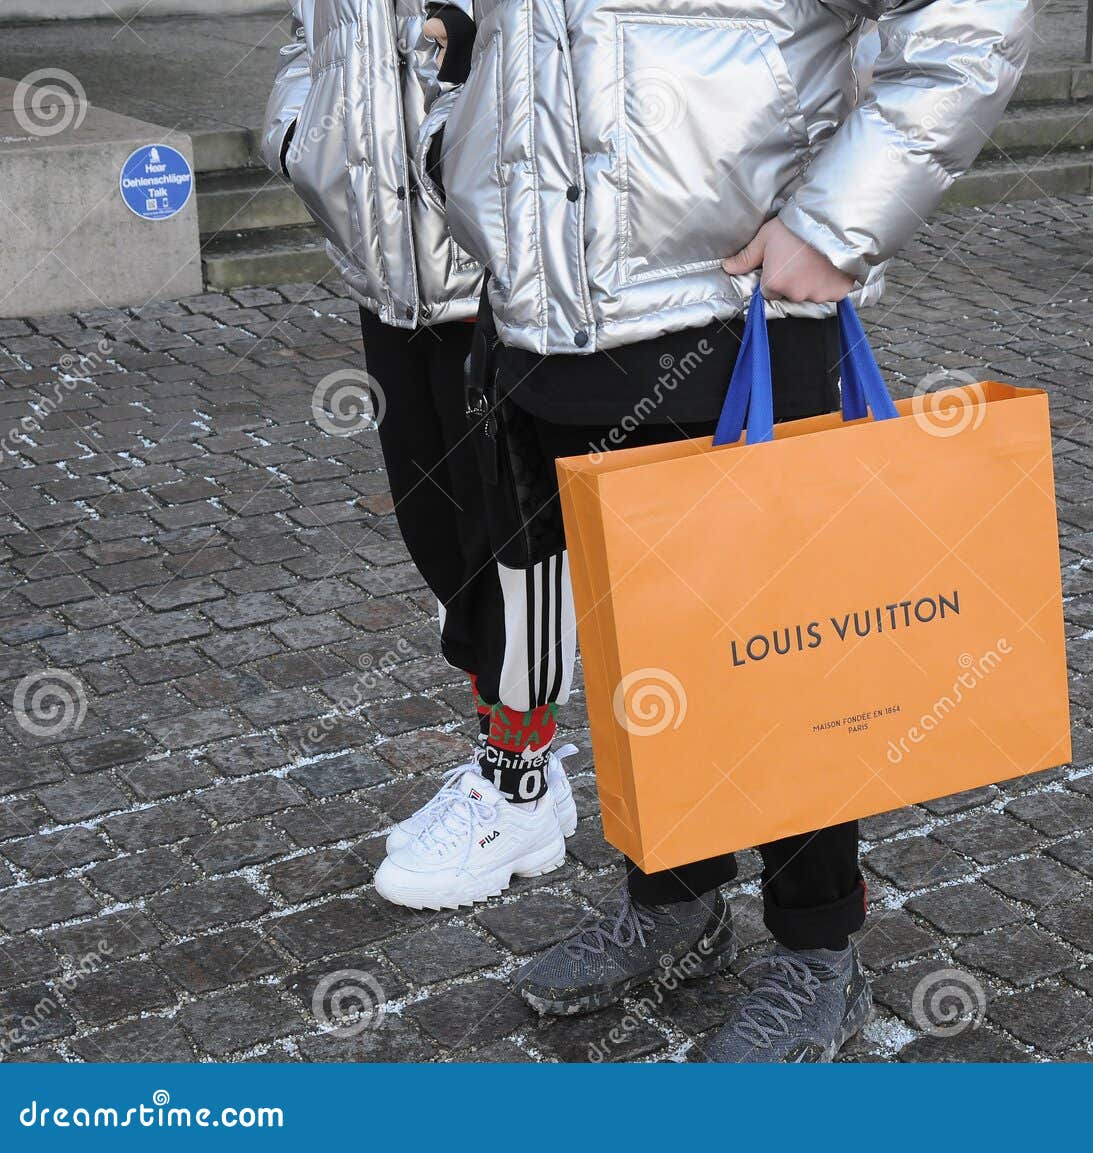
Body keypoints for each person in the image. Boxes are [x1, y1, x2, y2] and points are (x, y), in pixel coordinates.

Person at [421, 0, 1032, 1060]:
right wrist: (452, 145)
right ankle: (673, 896)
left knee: (789, 649)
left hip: (732, 303)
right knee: (631, 644)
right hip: (542, 315)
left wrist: (838, 221)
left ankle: (814, 945)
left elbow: (968, 16)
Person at [263, 1, 586, 912]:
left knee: (518, 546)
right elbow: (309, 38)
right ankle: (521, 763)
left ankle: (517, 779)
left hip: (503, 272)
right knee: (436, 532)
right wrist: (302, 142)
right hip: (385, 265)